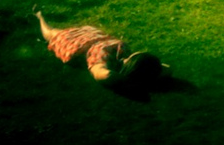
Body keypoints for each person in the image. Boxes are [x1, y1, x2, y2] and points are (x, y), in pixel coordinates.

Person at [34, 9, 170, 89]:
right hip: (93, 37)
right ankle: (40, 16)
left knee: (52, 33)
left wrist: (129, 81)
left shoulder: (105, 60)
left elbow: (103, 75)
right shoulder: (125, 55)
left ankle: (39, 17)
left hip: (77, 45)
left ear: (131, 63)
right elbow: (167, 69)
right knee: (67, 30)